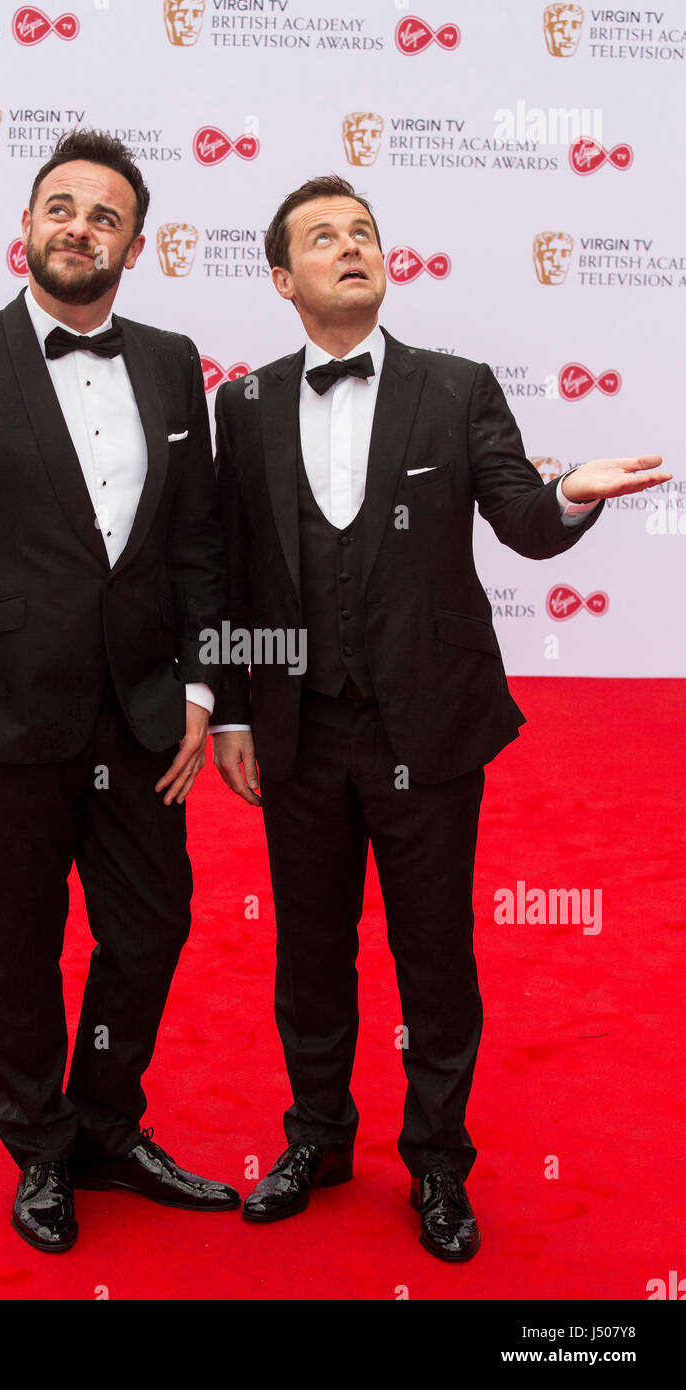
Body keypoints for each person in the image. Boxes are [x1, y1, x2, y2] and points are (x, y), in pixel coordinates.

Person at [210, 175, 668, 1261]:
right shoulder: (243, 404)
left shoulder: (455, 388)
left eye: (363, 231)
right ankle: (316, 1138)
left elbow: (521, 518)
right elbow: (227, 570)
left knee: (433, 954)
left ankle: (435, 1163)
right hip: (296, 726)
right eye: (321, 237)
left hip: (425, 723)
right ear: (283, 279)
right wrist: (228, 707)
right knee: (309, 952)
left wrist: (569, 494)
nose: (350, 246)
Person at [0, 129, 239, 1253]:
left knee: (151, 928)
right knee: (21, 939)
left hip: (140, 712)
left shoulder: (174, 361)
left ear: (135, 242)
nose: (80, 226)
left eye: (105, 214)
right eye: (61, 206)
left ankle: (107, 1129)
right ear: (26, 227)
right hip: (5, 698)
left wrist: (205, 684)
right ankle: (37, 1145)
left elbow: (195, 546)